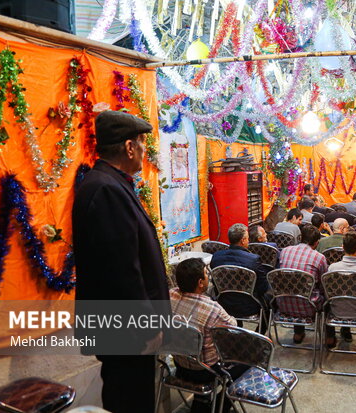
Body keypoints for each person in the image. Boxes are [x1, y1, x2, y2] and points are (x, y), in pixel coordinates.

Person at [73, 110, 169, 413]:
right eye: (142, 144)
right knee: (129, 398)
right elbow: (123, 271)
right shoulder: (106, 189)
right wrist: (146, 326)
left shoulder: (111, 183)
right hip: (126, 331)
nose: (143, 152)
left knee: (125, 393)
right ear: (129, 148)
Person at [169, 258, 244, 413]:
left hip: (179, 365)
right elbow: (234, 327)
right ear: (200, 283)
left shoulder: (169, 296)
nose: (208, 276)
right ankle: (219, 407)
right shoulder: (212, 309)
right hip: (205, 371)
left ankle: (201, 401)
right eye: (206, 274)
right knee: (247, 360)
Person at [210, 223, 270, 326]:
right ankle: (259, 335)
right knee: (270, 300)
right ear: (243, 240)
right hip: (249, 305)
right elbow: (263, 287)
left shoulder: (216, 257)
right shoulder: (253, 259)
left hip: (224, 303)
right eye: (247, 238)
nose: (249, 241)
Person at [279, 225, 329, 343]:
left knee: (294, 286)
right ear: (317, 242)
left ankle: (298, 333)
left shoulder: (284, 251)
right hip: (309, 307)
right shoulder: (319, 258)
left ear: (300, 237)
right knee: (328, 298)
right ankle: (330, 338)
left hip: (283, 304)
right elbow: (324, 285)